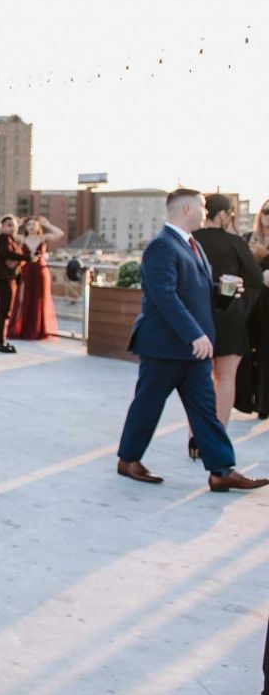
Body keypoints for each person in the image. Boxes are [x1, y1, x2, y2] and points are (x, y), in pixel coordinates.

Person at [115, 188, 268, 492]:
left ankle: (221, 470)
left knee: (205, 412)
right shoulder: (161, 246)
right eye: (201, 206)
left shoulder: (192, 245)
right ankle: (128, 460)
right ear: (187, 210)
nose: (204, 211)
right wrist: (194, 334)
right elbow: (164, 296)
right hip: (164, 347)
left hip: (193, 351)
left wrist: (221, 291)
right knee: (147, 405)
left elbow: (194, 292)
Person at [191, 194, 262, 435]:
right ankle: (217, 436)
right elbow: (254, 279)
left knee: (199, 381)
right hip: (229, 316)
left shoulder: (191, 240)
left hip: (197, 318)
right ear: (222, 215)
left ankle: (195, 436)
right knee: (225, 378)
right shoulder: (235, 242)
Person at [236, 198, 269, 420]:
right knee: (246, 352)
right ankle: (247, 401)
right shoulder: (248, 238)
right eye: (266, 211)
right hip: (250, 305)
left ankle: (264, 406)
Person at [8, 215, 63, 340]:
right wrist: (19, 223)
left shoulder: (43, 238)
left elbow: (60, 234)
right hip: (26, 271)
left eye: (34, 224)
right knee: (24, 298)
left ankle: (38, 330)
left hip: (40, 271)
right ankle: (23, 329)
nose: (32, 227)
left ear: (38, 226)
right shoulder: (22, 238)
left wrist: (47, 224)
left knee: (40, 299)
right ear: (26, 227)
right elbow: (12, 233)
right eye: (29, 225)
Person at [0, 214, 25, 353]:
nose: (12, 227)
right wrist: (27, 257)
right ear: (2, 227)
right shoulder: (3, 239)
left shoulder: (12, 240)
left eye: (14, 225)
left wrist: (20, 260)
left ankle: (1, 341)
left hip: (9, 279)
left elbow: (14, 258)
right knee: (3, 312)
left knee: (5, 312)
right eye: (8, 225)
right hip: (2, 280)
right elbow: (7, 255)